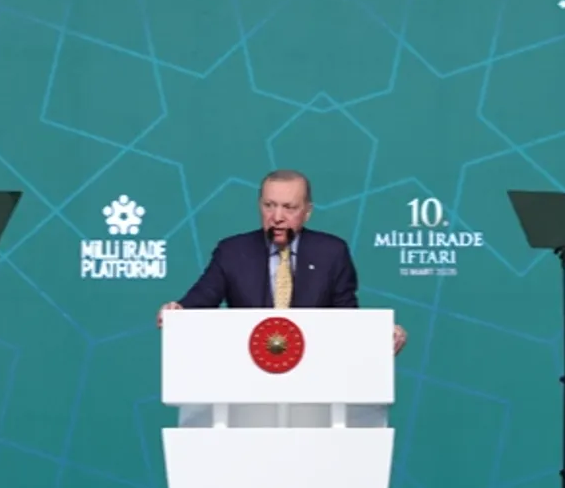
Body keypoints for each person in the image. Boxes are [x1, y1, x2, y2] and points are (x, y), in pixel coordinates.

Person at [159, 169, 406, 429]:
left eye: (289, 208)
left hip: (314, 393)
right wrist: (177, 311)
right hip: (246, 391)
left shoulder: (332, 252)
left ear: (307, 211)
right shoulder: (232, 252)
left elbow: (347, 318)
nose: (277, 217)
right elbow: (198, 301)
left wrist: (378, 336)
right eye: (269, 205)